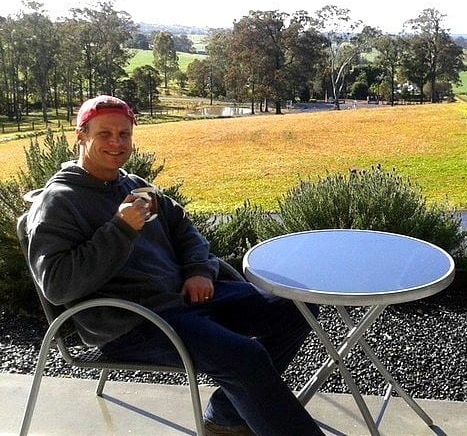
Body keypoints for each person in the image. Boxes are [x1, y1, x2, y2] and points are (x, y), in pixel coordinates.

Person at [26, 95, 324, 436]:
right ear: (80, 136)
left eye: (124, 134)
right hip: (133, 322)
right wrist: (120, 229)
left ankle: (227, 414)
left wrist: (198, 270)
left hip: (183, 299)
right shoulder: (60, 202)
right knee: (245, 357)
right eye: (104, 134)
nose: (116, 143)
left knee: (296, 306)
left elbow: (183, 228)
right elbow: (57, 284)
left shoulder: (133, 186)